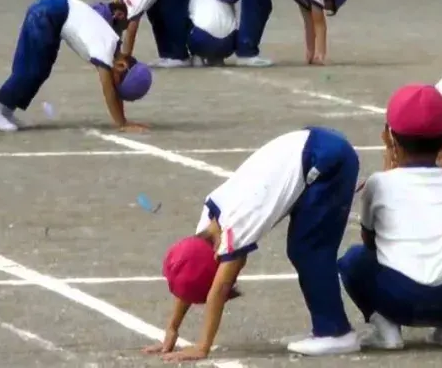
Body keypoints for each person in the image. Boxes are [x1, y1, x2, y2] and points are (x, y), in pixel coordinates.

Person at [143, 127, 361, 360]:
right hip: (314, 147)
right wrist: (172, 327)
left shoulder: (235, 228)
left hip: (329, 162)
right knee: (304, 248)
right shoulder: (207, 222)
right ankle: (326, 324)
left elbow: (219, 289)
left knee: (309, 249)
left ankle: (335, 332)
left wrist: (202, 347)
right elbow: (188, 270)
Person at [339, 84, 442, 350]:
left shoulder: (378, 183)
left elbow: (370, 241)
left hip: (401, 298)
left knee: (353, 260)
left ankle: (385, 328)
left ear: (390, 138)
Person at [0, 0, 152, 132]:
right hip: (47, 12)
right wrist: (122, 123)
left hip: (52, 14)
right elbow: (108, 89)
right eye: (118, 83)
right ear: (121, 67)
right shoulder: (106, 49)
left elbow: (113, 88)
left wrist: (124, 119)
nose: (114, 85)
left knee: (40, 70)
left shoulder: (115, 48)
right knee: (31, 70)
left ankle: (5, 108)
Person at [188, 0, 239, 67]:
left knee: (182, 20)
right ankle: (218, 57)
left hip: (202, 40)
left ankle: (197, 56)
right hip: (229, 44)